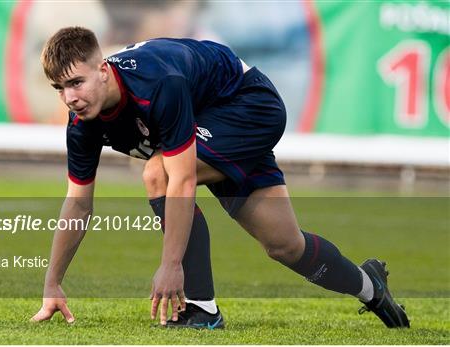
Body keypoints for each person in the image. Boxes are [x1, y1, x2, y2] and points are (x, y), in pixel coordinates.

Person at [31, 26, 410, 329]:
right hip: (209, 123)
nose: (69, 98)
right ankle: (369, 287)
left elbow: (179, 180)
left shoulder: (159, 83)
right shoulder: (82, 122)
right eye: (59, 88)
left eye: (76, 83)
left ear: (102, 70)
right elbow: (78, 202)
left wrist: (171, 265)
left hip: (249, 106)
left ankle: (202, 309)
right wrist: (52, 284)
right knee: (284, 245)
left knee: (158, 171)